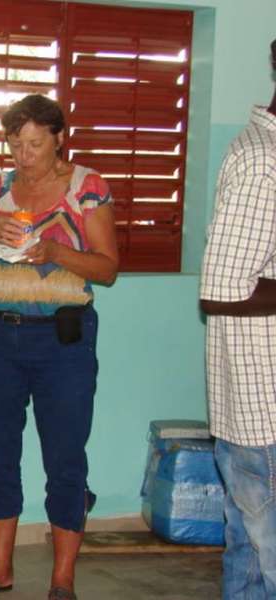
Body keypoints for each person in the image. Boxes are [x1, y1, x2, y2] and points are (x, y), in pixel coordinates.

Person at [0, 94, 118, 600]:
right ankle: (0, 568)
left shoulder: (88, 188)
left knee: (65, 457)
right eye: (16, 144)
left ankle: (62, 580)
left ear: (58, 138)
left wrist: (57, 251)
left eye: (35, 145)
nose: (24, 156)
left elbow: (107, 268)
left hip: (63, 340)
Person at [199, 39, 276, 599]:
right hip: (264, 410)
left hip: (257, 411)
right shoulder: (264, 164)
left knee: (251, 556)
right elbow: (222, 290)